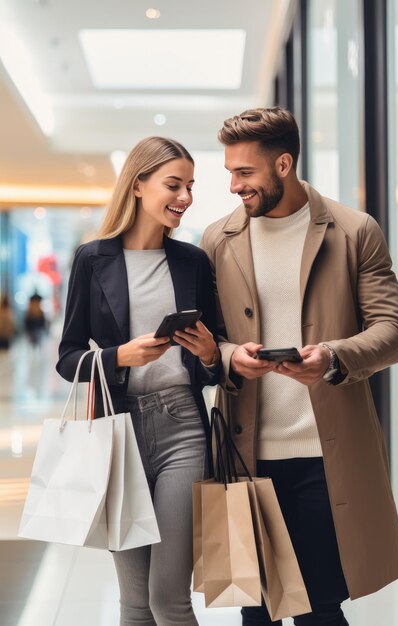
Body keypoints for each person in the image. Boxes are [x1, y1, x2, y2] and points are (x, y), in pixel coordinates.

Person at [200, 107, 398, 626]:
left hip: (325, 456)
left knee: (319, 608)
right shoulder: (216, 241)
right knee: (257, 610)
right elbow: (210, 339)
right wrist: (229, 356)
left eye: (243, 173)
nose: (233, 186)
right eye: (229, 172)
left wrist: (334, 358)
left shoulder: (354, 231)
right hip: (247, 458)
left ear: (284, 164)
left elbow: (394, 331)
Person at [56, 136, 221, 626]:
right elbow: (67, 359)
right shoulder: (93, 259)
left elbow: (216, 357)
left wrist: (211, 353)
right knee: (133, 603)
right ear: (138, 185)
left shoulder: (193, 262)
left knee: (168, 599)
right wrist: (118, 356)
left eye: (190, 186)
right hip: (117, 434)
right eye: (174, 185)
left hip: (182, 429)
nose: (185, 197)